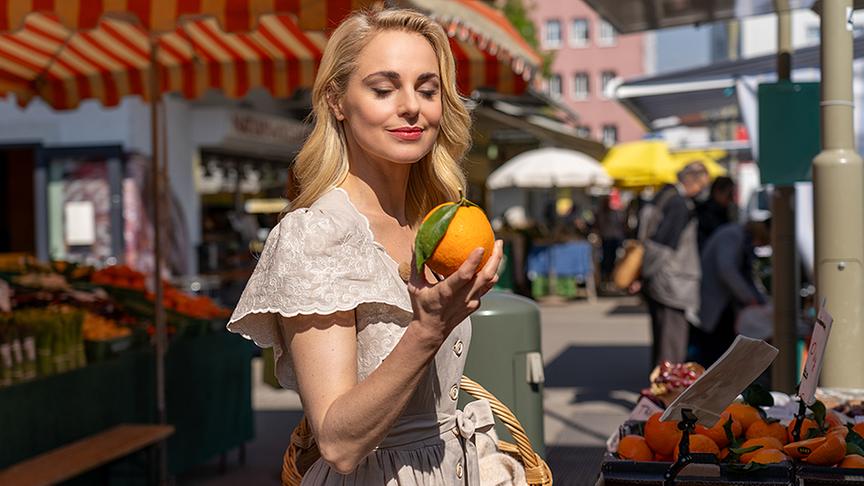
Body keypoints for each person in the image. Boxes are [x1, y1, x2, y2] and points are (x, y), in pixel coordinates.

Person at [227, 8, 512, 485]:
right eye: (384, 89)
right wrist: (427, 329)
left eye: (428, 89)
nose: (411, 107)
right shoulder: (314, 234)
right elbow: (338, 442)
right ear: (338, 101)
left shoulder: (434, 224)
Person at [640, 162, 711, 366]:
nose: (701, 191)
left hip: (661, 280)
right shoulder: (679, 204)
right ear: (691, 180)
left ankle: (661, 391)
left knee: (662, 341)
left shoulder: (663, 195)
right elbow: (663, 246)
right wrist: (647, 274)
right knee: (671, 346)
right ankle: (668, 395)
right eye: (701, 185)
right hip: (671, 283)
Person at [690, 220, 770, 366]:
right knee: (714, 352)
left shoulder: (738, 236)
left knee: (717, 351)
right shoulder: (732, 236)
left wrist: (759, 298)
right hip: (715, 303)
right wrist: (749, 297)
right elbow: (727, 270)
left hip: (721, 304)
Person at [696, 176, 735, 250]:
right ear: (717, 192)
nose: (731, 199)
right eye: (729, 195)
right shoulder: (705, 212)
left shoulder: (723, 210)